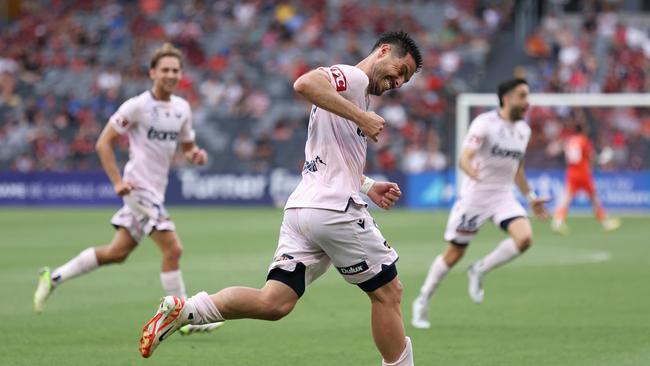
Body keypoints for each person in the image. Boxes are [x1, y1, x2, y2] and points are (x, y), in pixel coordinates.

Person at [138, 31, 422, 366]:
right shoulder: (354, 76)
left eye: (406, 78)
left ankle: (186, 310)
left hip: (303, 210)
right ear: (384, 51)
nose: (399, 81)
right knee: (389, 293)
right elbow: (304, 83)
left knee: (274, 302)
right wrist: (362, 117)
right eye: (401, 70)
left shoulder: (351, 94)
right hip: (333, 211)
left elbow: (332, 157)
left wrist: (368, 184)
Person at [33, 43, 220, 334]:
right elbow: (103, 142)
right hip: (138, 190)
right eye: (165, 70)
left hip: (156, 191)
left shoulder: (181, 109)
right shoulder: (137, 106)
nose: (171, 75)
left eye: (175, 70)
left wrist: (197, 155)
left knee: (117, 252)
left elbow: (188, 147)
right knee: (173, 248)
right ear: (153, 73)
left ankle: (53, 277)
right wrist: (118, 182)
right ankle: (183, 316)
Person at [411, 78, 549, 329]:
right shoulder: (485, 124)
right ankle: (422, 300)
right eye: (522, 96)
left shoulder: (523, 131)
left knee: (525, 238)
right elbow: (465, 157)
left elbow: (517, 168)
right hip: (476, 197)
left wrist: (531, 197)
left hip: (503, 196)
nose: (527, 102)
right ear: (507, 98)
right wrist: (469, 170)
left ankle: (479, 270)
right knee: (454, 254)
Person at [551, 122, 621, 234]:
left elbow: (568, 157)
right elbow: (591, 157)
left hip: (571, 173)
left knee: (566, 199)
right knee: (594, 198)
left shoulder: (570, 141)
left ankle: (557, 222)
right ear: (583, 130)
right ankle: (605, 222)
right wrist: (602, 158)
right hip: (583, 173)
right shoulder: (584, 140)